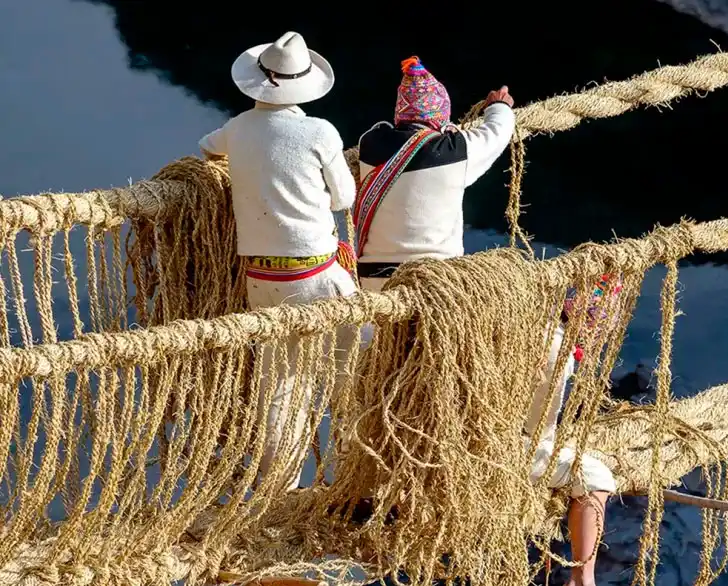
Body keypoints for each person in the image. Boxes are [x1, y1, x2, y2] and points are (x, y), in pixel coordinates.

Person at [198, 31, 358, 491]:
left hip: (260, 277)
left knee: (281, 380)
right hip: (315, 272)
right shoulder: (319, 131)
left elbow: (206, 149)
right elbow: (343, 199)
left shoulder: (238, 128)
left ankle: (279, 486)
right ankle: (352, 472)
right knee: (368, 353)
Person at [352, 56, 516, 292]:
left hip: (374, 281)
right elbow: (497, 132)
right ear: (441, 116)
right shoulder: (454, 150)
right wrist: (499, 106)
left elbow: (387, 130)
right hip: (434, 281)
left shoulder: (370, 143)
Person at [526, 275, 623, 586]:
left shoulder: (532, 323)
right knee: (595, 476)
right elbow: (537, 428)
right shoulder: (557, 351)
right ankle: (583, 578)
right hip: (508, 450)